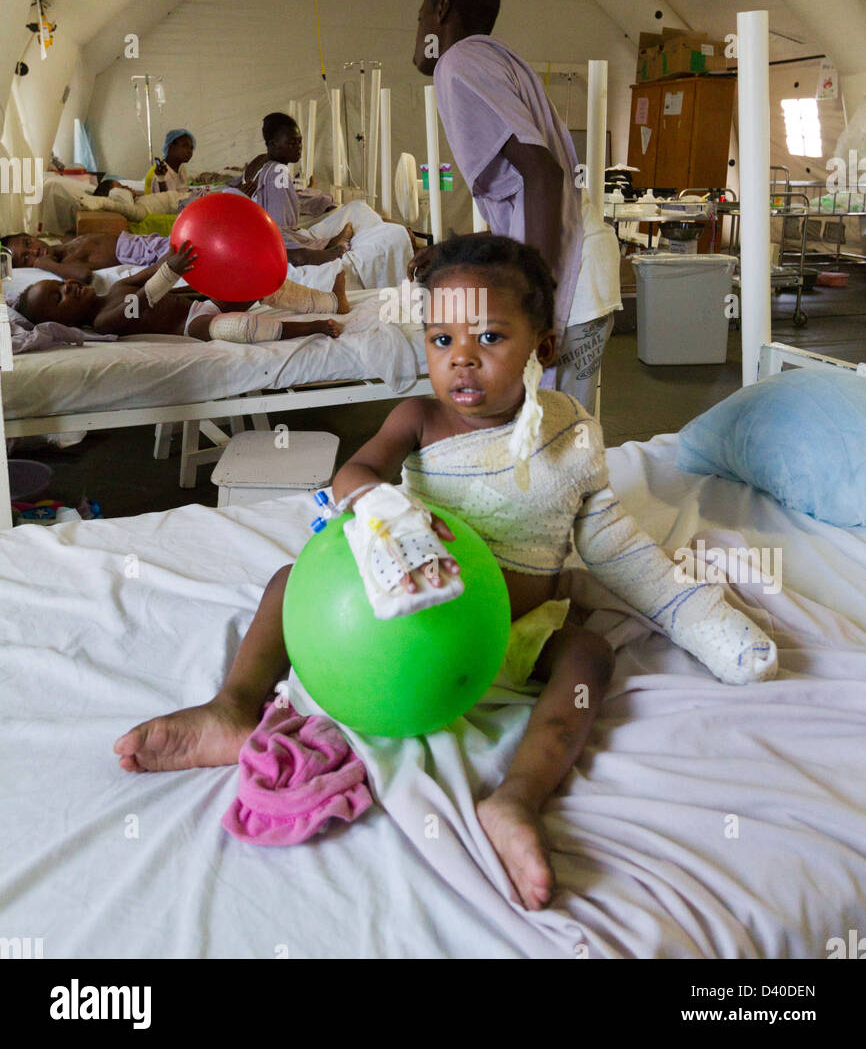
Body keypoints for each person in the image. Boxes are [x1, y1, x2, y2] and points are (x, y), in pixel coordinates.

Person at [113, 234, 775, 911]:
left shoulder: (570, 434)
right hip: (407, 622)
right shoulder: (420, 418)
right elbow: (357, 471)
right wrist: (381, 508)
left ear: (542, 348)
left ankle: (517, 798)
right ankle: (233, 707)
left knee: (589, 654)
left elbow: (612, 543)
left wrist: (692, 612)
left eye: (490, 337)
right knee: (289, 581)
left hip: (514, 637)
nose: (461, 358)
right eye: (440, 339)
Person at [412, 0, 621, 409]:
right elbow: (525, 201)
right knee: (555, 432)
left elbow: (544, 175)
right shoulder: (493, 59)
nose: (417, 34)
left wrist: (534, 308)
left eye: (420, 18)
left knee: (554, 439)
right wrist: (457, 249)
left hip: (574, 278)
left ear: (441, 11)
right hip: (585, 269)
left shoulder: (460, 62)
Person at [17, 243, 349, 343]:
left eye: (59, 285)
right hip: (192, 328)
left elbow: (153, 269)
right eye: (58, 298)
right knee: (237, 328)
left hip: (203, 304)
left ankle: (331, 301)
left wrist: (184, 247)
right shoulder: (103, 322)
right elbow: (143, 301)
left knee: (255, 282)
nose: (68, 287)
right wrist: (169, 271)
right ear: (60, 322)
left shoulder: (116, 286)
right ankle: (313, 327)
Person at [227, 114, 354, 267]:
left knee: (292, 232)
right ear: (273, 145)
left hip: (249, 226)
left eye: (299, 142)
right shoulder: (278, 170)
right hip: (261, 232)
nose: (298, 147)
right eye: (291, 143)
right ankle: (320, 252)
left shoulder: (259, 159)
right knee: (286, 238)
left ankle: (325, 244)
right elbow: (282, 223)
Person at [4, 230, 172, 279]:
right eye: (26, 258)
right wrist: (47, 265)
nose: (34, 251)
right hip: (155, 254)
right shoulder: (67, 262)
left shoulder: (66, 244)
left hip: (154, 242)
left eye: (28, 243)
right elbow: (84, 276)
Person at [144, 129, 196, 194]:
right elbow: (164, 200)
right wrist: (161, 180)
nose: (189, 151)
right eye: (185, 146)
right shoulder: (160, 173)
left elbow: (183, 190)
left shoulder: (181, 168)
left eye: (191, 148)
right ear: (171, 147)